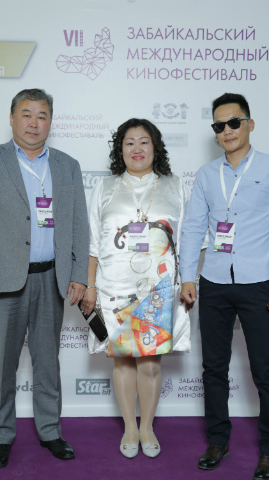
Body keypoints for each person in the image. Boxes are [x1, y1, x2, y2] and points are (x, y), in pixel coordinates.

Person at [0, 88, 89, 468]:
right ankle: (0, 436)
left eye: (42, 115)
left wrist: (79, 273)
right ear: (12, 118)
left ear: (51, 122)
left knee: (49, 362)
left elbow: (79, 225)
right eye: (27, 114)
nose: (34, 123)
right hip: (3, 279)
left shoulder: (67, 166)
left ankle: (50, 431)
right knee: (3, 365)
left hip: (52, 278)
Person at [179, 93, 269, 480]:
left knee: (265, 371)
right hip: (214, 282)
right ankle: (218, 441)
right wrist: (187, 275)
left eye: (234, 122)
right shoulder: (206, 175)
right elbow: (193, 228)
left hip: (260, 283)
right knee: (213, 368)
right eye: (219, 125)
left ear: (249, 124)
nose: (227, 131)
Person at [81, 118, 192, 459]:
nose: (137, 149)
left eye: (144, 142)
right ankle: (130, 426)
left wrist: (188, 280)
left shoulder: (175, 185)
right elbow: (92, 242)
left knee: (151, 364)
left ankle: (147, 427)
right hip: (114, 286)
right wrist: (89, 286)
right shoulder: (105, 187)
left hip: (159, 287)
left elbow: (188, 240)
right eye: (129, 142)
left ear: (155, 148)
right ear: (120, 149)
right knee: (123, 363)